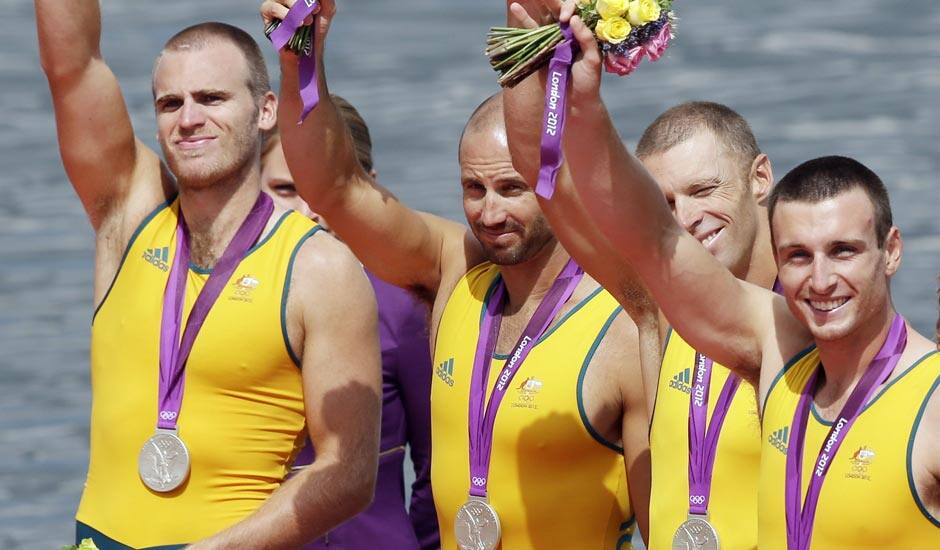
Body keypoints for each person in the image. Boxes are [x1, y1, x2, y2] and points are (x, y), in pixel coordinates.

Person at [502, 1, 940, 548]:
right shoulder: (707, 318)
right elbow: (624, 219)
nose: (822, 279)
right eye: (799, 256)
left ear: (891, 251)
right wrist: (568, 79)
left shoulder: (835, 355)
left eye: (844, 251)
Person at [261, 1, 661, 547]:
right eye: (474, 189)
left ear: (551, 182)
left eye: (512, 188)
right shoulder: (454, 269)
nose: (490, 214)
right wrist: (300, 57)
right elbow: (334, 189)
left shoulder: (623, 320)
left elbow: (663, 526)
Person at [36, 2, 382, 548]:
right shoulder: (127, 216)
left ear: (266, 109)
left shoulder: (319, 268)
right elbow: (71, 65)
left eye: (212, 98)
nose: (188, 118)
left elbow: (348, 473)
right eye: (170, 103)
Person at [260, 97, 440, 549]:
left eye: (328, 189)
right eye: (286, 189)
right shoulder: (213, 302)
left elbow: (438, 473)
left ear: (368, 189)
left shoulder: (405, 306)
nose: (308, 211)